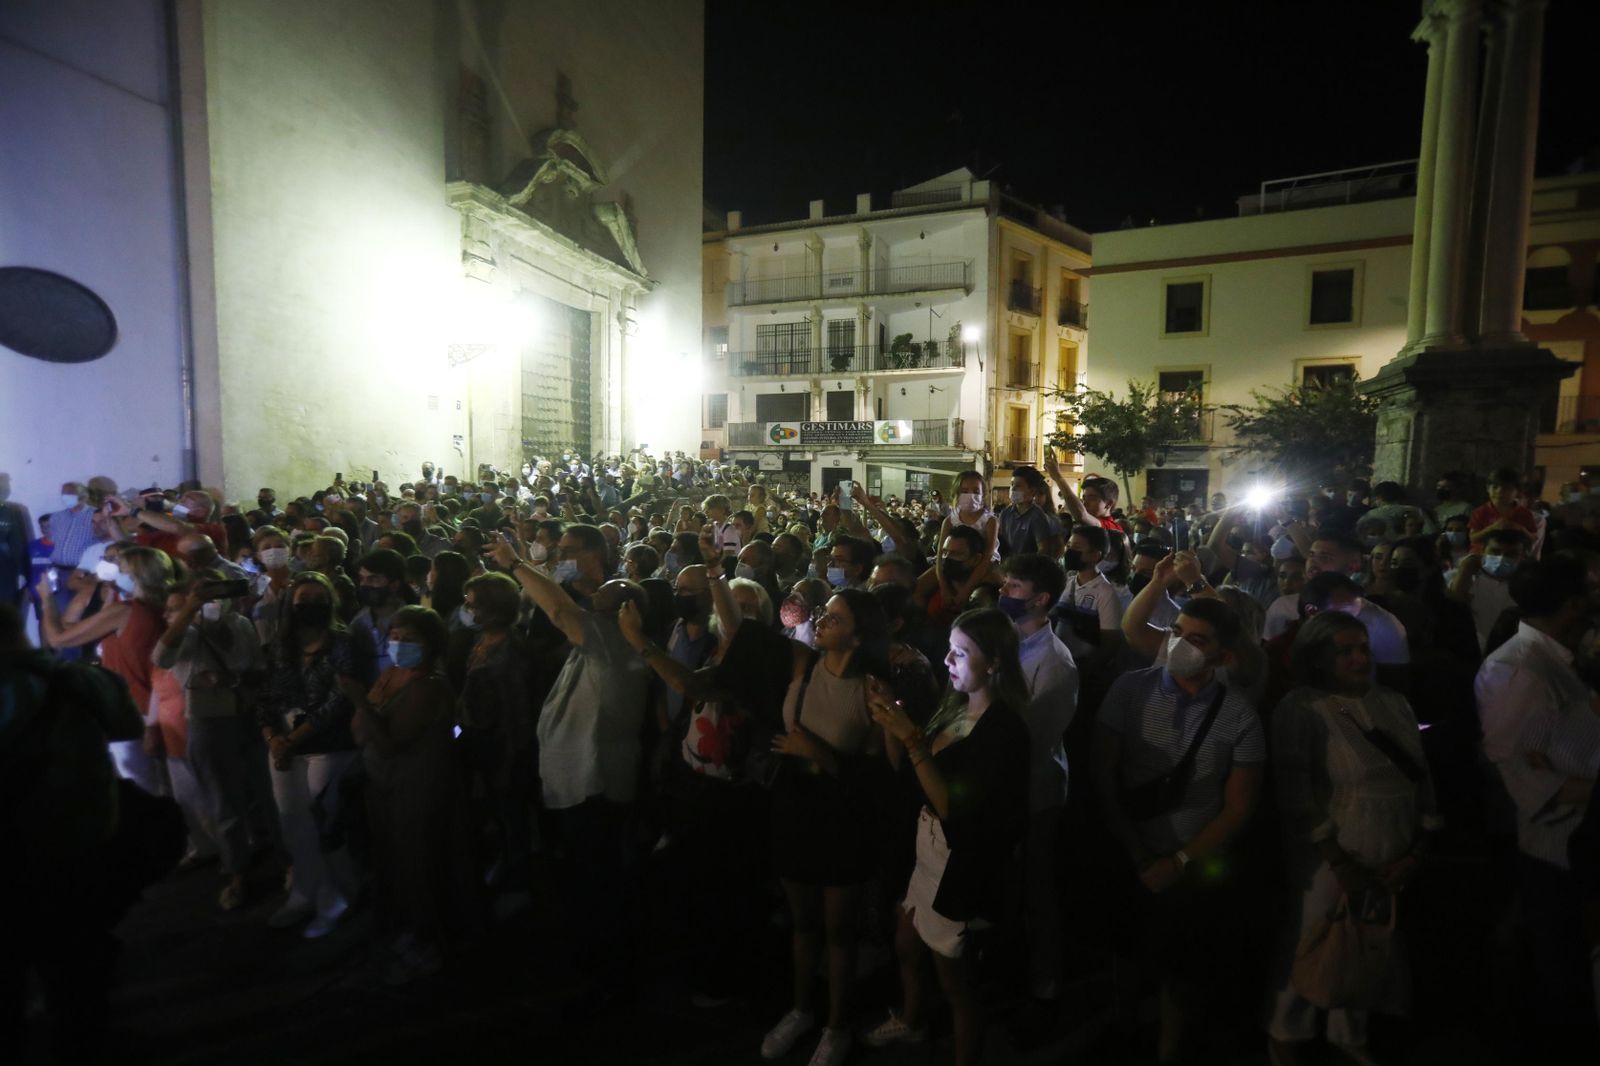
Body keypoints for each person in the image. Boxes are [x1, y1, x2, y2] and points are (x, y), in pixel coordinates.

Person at [1093, 597, 1265, 1065]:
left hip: (1193, 861)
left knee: (1182, 965)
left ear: (1222, 656)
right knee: (1125, 949)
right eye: (1177, 631)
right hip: (1131, 849)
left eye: (1197, 639)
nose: (1179, 644)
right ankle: (1123, 1026)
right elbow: (1103, 776)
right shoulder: (1129, 689)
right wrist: (1137, 854)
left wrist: (1181, 861)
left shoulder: (1239, 717)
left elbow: (1238, 807)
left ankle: (1170, 1050)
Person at [1266, 612, 1440, 1064]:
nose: (1359, 658)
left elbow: (1420, 775)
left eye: (1362, 648)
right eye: (1345, 651)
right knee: (1315, 941)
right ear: (1319, 658)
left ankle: (1349, 1033)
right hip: (1330, 855)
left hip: (1391, 846)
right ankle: (1288, 1032)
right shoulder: (1302, 708)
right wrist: (1339, 861)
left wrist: (1419, 844)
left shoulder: (1392, 703)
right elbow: (1296, 791)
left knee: (1367, 944)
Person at [861, 609, 1030, 1065]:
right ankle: (913, 1020)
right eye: (948, 650)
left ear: (993, 663)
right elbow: (907, 770)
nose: (948, 661)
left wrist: (912, 738)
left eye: (960, 653)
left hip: (960, 861)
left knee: (955, 980)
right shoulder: (955, 705)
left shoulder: (1002, 730)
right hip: (926, 847)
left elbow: (954, 809)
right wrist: (892, 716)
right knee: (906, 939)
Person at [493, 535, 653, 1005]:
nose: (592, 601)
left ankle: (606, 977)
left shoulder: (614, 643)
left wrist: (516, 563)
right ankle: (600, 964)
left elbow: (560, 611)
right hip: (591, 780)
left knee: (598, 883)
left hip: (595, 783)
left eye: (603, 599)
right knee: (596, 878)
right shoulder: (612, 645)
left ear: (627, 614)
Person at [758, 588, 890, 1066]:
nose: (823, 621)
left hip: (842, 819)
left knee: (838, 929)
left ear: (858, 634)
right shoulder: (804, 665)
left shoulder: (872, 690)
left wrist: (821, 756)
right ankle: (800, 1010)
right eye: (824, 614)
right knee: (803, 922)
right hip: (795, 808)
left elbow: (877, 775)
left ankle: (836, 1025)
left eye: (835, 617)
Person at [1475, 555, 1600, 1039]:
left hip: (1577, 841)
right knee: (1558, 970)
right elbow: (1521, 775)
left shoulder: (1561, 662)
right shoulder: (1521, 671)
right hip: (1554, 846)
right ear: (1572, 605)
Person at [340, 605, 462, 985]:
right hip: (386, 785)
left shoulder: (428, 686)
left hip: (418, 787)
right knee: (394, 860)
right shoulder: (392, 673)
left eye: (409, 639)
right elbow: (361, 733)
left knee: (419, 864)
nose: (398, 644)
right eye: (394, 636)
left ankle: (430, 945)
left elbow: (390, 741)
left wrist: (361, 700)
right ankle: (407, 930)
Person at [259, 571, 373, 938]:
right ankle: (304, 894)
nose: (309, 606)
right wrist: (273, 737)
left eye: (317, 600)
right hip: (284, 742)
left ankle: (336, 900)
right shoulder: (281, 644)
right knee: (293, 824)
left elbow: (337, 701)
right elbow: (268, 695)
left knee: (323, 823)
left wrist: (293, 740)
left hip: (328, 745)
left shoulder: (343, 641)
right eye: (302, 600)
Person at [152, 573, 266, 911]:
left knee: (264, 792)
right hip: (208, 719)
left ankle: (283, 858)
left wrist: (234, 679)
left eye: (218, 589)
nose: (214, 597)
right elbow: (160, 657)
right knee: (222, 798)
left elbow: (259, 668)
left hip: (247, 713)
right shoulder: (185, 631)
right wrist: (191, 607)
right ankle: (236, 872)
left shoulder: (241, 624)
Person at [1000, 553, 1080, 1010]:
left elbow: (1031, 740)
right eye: (1006, 584)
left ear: (1042, 598)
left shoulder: (1054, 664)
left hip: (1033, 791)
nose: (1004, 593)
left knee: (1036, 887)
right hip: (1008, 786)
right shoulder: (1009, 640)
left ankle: (1044, 981)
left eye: (1014, 588)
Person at [998, 466, 1064, 558]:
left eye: (1018, 486)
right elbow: (1001, 542)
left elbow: (1043, 549)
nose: (1013, 489)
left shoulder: (1037, 515)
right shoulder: (1006, 513)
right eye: (1012, 484)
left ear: (1032, 491)